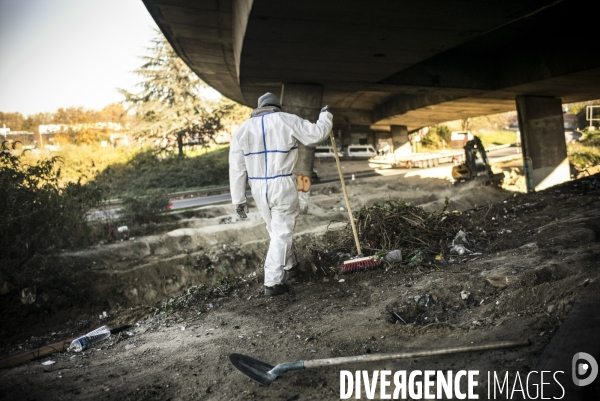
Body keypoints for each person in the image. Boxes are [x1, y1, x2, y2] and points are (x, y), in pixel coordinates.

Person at [229, 92, 333, 296]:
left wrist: (239, 200)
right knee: (282, 232)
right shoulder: (286, 119)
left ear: (258, 107)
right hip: (282, 183)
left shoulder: (242, 130)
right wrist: (326, 116)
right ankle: (272, 283)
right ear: (277, 107)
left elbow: (237, 169)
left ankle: (290, 266)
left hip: (258, 187)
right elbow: (316, 135)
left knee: (276, 231)